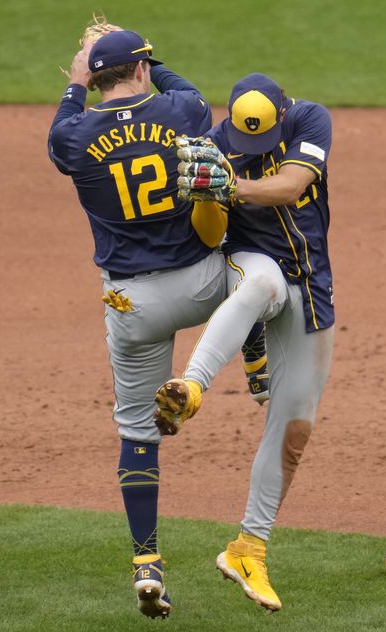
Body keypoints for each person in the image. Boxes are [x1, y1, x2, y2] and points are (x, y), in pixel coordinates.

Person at [47, 28, 269, 619]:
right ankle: (254, 355)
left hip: (132, 306)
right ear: (142, 68)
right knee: (248, 259)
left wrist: (79, 76)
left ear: (96, 77)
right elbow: (183, 89)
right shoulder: (181, 108)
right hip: (201, 287)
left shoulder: (72, 136)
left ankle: (146, 562)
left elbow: (66, 121)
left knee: (137, 433)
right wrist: (150, 61)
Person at [153, 72, 335, 611]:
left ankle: (247, 548)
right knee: (260, 283)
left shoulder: (309, 118)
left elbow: (292, 186)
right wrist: (205, 196)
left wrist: (229, 185)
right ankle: (191, 387)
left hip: (314, 285)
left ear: (283, 110)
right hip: (249, 263)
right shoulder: (212, 145)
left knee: (296, 426)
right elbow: (211, 237)